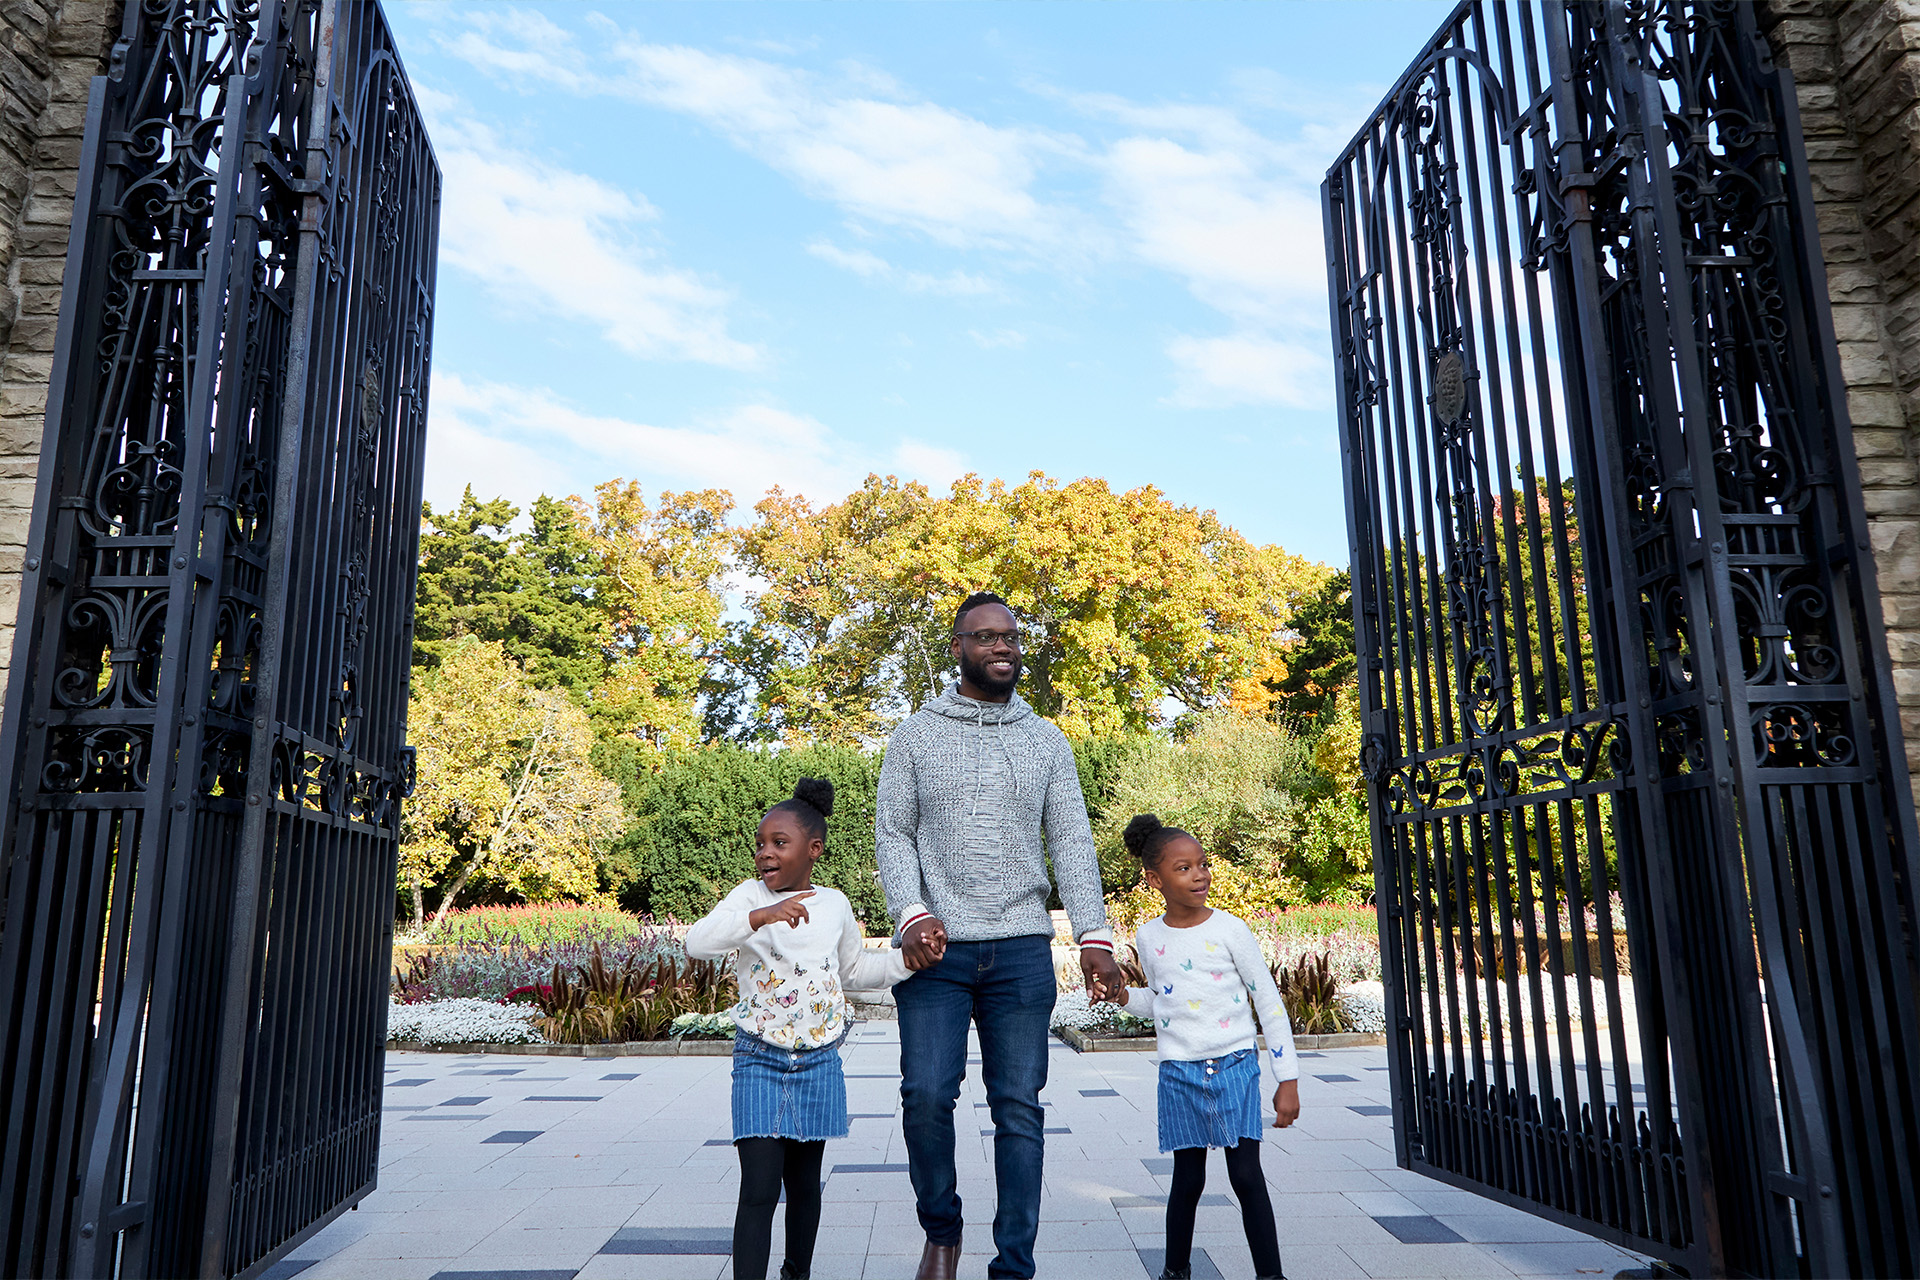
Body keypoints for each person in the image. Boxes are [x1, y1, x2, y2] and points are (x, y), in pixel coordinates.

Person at [876, 591, 1125, 1280]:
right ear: (958, 647)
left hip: (1020, 952)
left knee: (1019, 1108)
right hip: (937, 953)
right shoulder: (916, 735)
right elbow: (893, 833)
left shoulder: (1046, 740)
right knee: (926, 1096)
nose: (1002, 647)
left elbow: (1072, 840)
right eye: (985, 637)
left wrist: (1094, 937)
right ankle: (943, 1229)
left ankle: (1014, 1265)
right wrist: (912, 912)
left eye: (1011, 636)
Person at [685, 778, 909, 1280]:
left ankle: (796, 1274)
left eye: (779, 843)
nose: (765, 853)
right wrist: (760, 916)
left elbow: (854, 974)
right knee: (760, 1188)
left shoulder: (835, 905)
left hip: (819, 1061)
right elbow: (697, 942)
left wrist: (907, 962)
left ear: (814, 850)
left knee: (806, 1188)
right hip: (760, 1059)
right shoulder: (748, 897)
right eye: (760, 844)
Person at [1106, 813, 1299, 1280]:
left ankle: (1271, 1276)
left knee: (1246, 1177)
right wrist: (1120, 996)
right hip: (1179, 1073)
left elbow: (1267, 1001)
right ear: (1154, 879)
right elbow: (1160, 1001)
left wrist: (1286, 1078)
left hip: (1235, 1065)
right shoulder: (1149, 937)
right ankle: (1176, 1272)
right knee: (1187, 1180)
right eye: (1184, 868)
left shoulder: (1231, 930)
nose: (1200, 875)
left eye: (1203, 864)